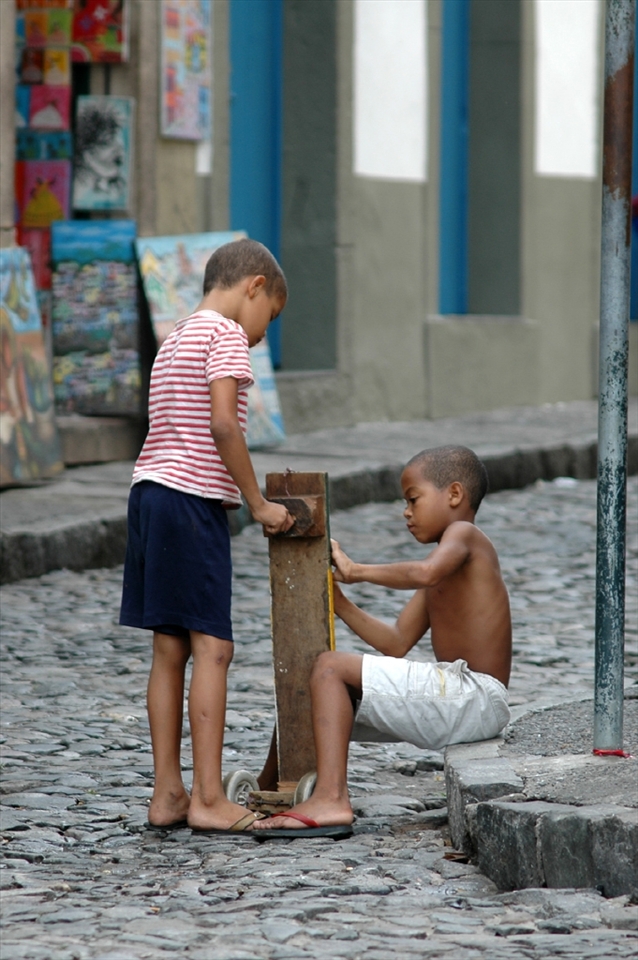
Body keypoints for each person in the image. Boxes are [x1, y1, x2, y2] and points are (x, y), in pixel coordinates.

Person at [119, 238, 293, 834]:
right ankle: (210, 798)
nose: (261, 337)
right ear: (255, 288)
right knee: (213, 649)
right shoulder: (222, 336)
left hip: (149, 495)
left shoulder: (175, 337)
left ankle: (168, 792)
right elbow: (223, 424)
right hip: (192, 504)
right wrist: (258, 503)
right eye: (267, 319)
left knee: (169, 651)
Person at [252, 445, 512, 836]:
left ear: (454, 495)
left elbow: (424, 572)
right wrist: (337, 600)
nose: (406, 512)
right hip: (460, 699)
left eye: (413, 499)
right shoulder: (443, 573)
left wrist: (356, 571)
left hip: (474, 695)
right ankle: (266, 790)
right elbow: (394, 642)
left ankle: (331, 797)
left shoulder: (466, 536)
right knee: (307, 689)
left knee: (329, 666)